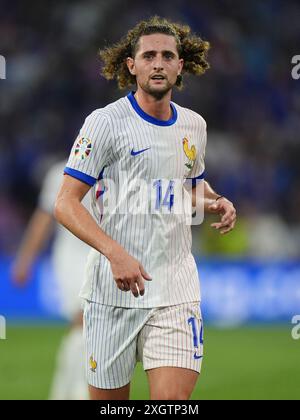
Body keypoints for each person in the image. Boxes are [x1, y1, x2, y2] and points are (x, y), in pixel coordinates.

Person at [54, 16, 236, 400]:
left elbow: (186, 185)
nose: (158, 63)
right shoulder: (104, 123)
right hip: (110, 295)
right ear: (131, 65)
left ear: (180, 66)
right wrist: (115, 253)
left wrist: (215, 200)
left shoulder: (194, 126)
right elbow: (65, 203)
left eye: (167, 56)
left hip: (175, 291)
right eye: (148, 55)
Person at [12, 160, 90, 400]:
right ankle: (80, 391)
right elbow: (44, 218)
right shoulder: (61, 172)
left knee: (92, 326)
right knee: (84, 319)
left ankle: (63, 391)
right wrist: (25, 259)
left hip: (104, 255)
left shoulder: (117, 170)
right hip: (71, 255)